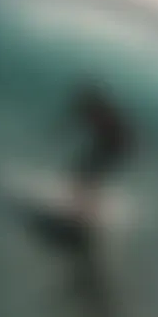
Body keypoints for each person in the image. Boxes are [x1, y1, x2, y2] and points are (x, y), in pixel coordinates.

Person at [66, 81, 134, 225]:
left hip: (113, 147)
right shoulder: (98, 111)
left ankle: (84, 214)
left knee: (88, 176)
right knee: (85, 175)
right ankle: (81, 212)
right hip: (110, 146)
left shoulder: (100, 112)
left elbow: (120, 136)